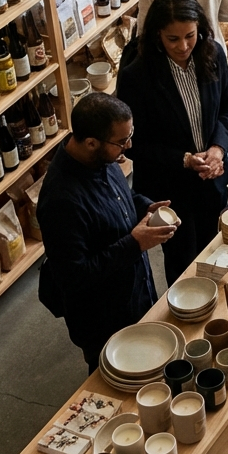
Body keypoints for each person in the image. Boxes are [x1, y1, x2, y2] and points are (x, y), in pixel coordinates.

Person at [36, 94, 175, 372]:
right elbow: (74, 277)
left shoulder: (102, 160)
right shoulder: (60, 201)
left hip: (135, 295)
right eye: (122, 141)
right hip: (104, 322)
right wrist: (134, 244)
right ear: (91, 143)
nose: (129, 145)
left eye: (130, 135)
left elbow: (122, 196)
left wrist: (146, 206)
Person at [117, 0, 228, 286]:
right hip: (168, 188)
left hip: (212, 178)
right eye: (173, 39)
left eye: (190, 35)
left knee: (216, 252)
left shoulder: (212, 54)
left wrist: (217, 149)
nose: (183, 46)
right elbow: (135, 144)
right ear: (157, 34)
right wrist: (183, 160)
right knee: (182, 263)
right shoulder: (137, 76)